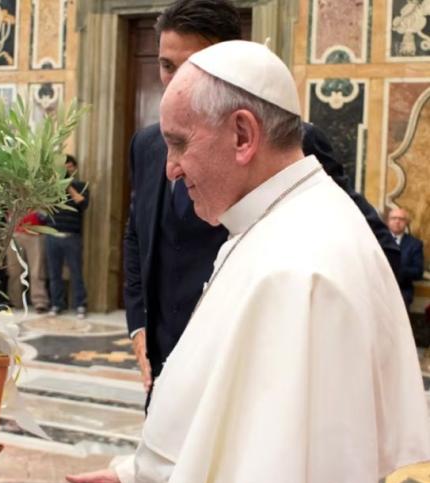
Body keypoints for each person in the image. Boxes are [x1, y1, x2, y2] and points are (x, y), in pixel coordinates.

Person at [67, 40, 429, 483]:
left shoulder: (299, 269)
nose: (171, 169)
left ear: (242, 135)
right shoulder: (276, 221)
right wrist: (141, 480)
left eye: (179, 143)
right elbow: (233, 414)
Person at [122, 0, 400, 399]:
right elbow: (137, 236)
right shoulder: (148, 146)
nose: (176, 81)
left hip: (250, 384)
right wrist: (139, 325)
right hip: (165, 378)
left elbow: (376, 254)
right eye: (167, 66)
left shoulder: (290, 144)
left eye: (194, 67)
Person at [43, 155, 89, 318]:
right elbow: (44, 209)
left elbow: (82, 204)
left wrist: (68, 185)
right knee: (54, 273)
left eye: (69, 167)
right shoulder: (52, 187)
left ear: (74, 168)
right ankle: (57, 304)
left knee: (76, 272)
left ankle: (80, 305)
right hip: (53, 236)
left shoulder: (81, 186)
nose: (67, 170)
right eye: (64, 167)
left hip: (72, 237)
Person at [388, 207, 425, 307]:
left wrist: (398, 271)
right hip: (379, 287)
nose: (397, 221)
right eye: (394, 218)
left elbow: (418, 272)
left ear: (406, 223)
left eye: (401, 219)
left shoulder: (415, 244)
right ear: (388, 221)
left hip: (402, 290)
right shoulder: (377, 241)